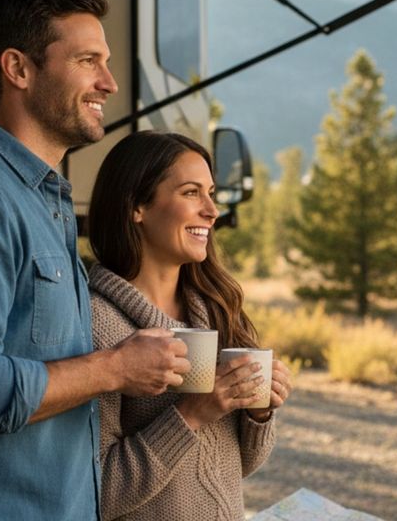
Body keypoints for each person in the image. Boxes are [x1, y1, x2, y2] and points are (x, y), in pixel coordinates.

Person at [0, 0, 190, 519]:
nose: (109, 82)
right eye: (88, 60)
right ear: (18, 70)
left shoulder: (39, 200)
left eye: (107, 62)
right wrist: (114, 368)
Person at [87, 131, 293, 520]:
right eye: (191, 193)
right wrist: (192, 414)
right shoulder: (99, 326)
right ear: (137, 207)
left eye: (211, 193)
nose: (212, 211)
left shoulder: (214, 310)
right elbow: (98, 491)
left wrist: (258, 412)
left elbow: (239, 465)